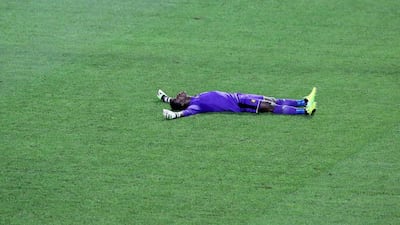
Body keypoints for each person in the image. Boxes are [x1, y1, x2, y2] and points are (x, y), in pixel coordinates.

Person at [157, 87, 317, 120]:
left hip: (240, 96)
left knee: (272, 99)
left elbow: (176, 103)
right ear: (183, 104)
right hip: (240, 104)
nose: (179, 94)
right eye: (178, 98)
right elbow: (185, 112)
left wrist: (166, 99)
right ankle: (305, 111)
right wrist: (175, 115)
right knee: (269, 107)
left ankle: (303, 101)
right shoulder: (194, 106)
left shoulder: (193, 98)